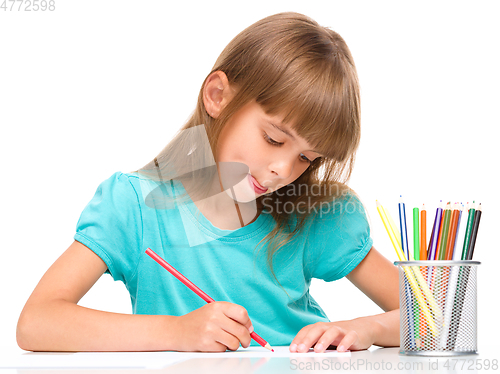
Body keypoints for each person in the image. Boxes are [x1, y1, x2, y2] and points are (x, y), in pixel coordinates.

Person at [16, 12, 399, 353]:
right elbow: (37, 323)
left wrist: (366, 327)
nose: (284, 169)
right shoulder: (135, 205)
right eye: (273, 139)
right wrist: (176, 332)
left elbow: (437, 318)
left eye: (306, 158)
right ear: (218, 96)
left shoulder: (314, 214)